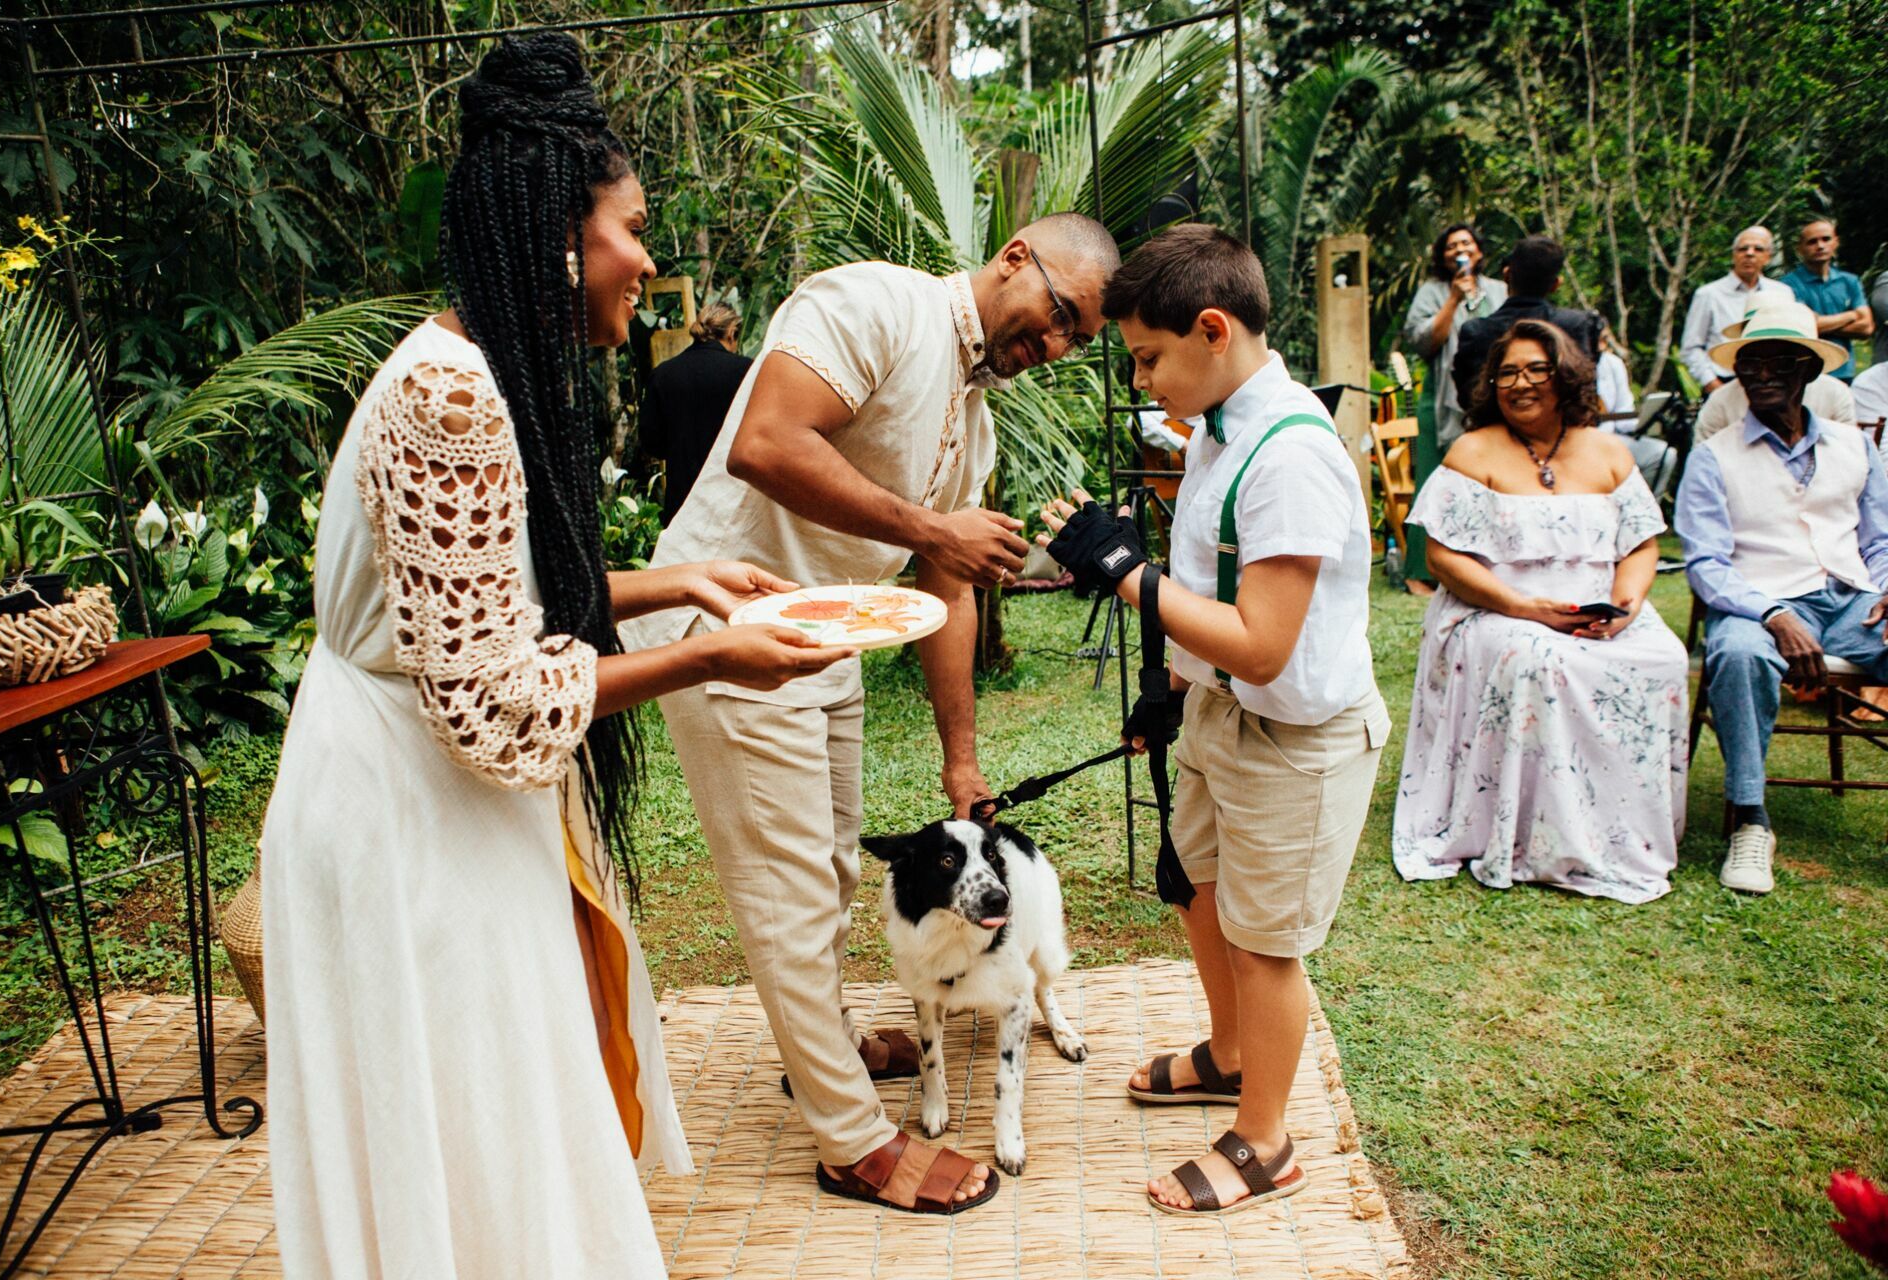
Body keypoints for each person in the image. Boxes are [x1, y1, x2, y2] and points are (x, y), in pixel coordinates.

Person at [259, 36, 857, 1277]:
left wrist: (675, 583)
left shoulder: (469, 370)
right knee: (476, 1135)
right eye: (630, 227)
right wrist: (708, 658)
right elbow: (487, 694)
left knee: (492, 1133)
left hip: (426, 791)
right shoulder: (455, 399)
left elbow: (471, 601)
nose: (646, 259)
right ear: (554, 233)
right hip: (412, 818)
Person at [621, 213, 1121, 1214]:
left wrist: (961, 758)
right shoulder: (877, 304)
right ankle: (851, 1136)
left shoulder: (973, 417)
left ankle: (832, 1045)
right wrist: (935, 523)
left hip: (827, 639)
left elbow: (949, 578)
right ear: (1016, 255)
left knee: (838, 865)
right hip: (726, 625)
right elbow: (767, 442)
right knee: (789, 890)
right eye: (1059, 314)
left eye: (1077, 339)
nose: (1056, 345)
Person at [1038, 224, 1388, 1216]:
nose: (1142, 378)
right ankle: (1233, 1055)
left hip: (1295, 736)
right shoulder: (1218, 429)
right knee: (1199, 885)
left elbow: (1266, 640)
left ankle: (1267, 1138)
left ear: (1212, 329)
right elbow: (1207, 586)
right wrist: (1170, 687)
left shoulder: (1290, 456)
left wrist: (1125, 575)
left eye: (1148, 357)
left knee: (1266, 939)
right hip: (1222, 713)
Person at [1392, 319, 1688, 902]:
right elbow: (1442, 557)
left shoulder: (1607, 452)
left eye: (1535, 370)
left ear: (1566, 376)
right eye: (1507, 372)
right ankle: (1541, 837)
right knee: (1540, 659)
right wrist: (1527, 607)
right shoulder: (1471, 451)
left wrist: (1626, 607)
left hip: (1597, 610)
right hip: (1495, 609)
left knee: (1665, 656)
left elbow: (1641, 545)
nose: (1520, 383)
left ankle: (1619, 836)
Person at [1675, 300, 1888, 895]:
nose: (1761, 375)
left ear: (1808, 373)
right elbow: (1707, 564)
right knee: (1739, 655)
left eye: (1778, 363)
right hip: (1757, 601)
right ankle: (1750, 820)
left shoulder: (1853, 445)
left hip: (1850, 600)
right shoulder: (1714, 457)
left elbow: (1880, 540)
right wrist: (1773, 614)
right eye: (1750, 364)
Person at [1400, 224, 1508, 594]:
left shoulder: (1498, 290)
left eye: (1466, 243)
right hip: (1442, 398)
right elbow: (1421, 342)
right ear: (1442, 255)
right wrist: (1451, 301)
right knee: (1432, 481)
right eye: (1452, 245)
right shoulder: (1431, 292)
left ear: (1478, 251)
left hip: (1492, 399)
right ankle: (1419, 571)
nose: (1459, 249)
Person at [1451, 234, 1601, 404]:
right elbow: (1584, 394)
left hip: (1495, 428)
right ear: (1555, 285)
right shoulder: (1575, 325)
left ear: (1507, 275)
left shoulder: (1476, 332)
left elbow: (1469, 398)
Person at [638, 299, 751, 524]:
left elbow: (652, 443)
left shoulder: (664, 374)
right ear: (731, 333)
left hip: (683, 502)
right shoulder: (746, 371)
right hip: (733, 501)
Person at [1696, 298, 1857, 440]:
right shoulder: (1721, 402)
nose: (1764, 375)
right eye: (1752, 361)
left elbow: (1848, 451)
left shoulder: (1835, 394)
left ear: (1811, 369)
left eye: (1782, 363)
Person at [1679, 225, 1788, 395]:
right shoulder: (1709, 294)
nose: (1749, 253)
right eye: (1743, 249)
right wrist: (1712, 385)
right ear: (1733, 255)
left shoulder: (1781, 293)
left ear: (1768, 257)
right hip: (1725, 382)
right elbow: (1690, 348)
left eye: (1758, 249)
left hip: (1773, 384)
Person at [1594, 314, 1677, 497]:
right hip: (1580, 443)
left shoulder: (1613, 363)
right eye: (1596, 340)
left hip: (1612, 438)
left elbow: (1624, 415)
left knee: (1663, 454)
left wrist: (1650, 417)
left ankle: (1646, 516)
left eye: (1605, 339)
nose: (1601, 346)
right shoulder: (1568, 363)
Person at [1782, 218, 1873, 381]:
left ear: (1836, 242)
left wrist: (1819, 324)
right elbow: (1802, 327)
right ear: (1800, 248)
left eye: (1826, 239)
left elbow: (1866, 328)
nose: (1820, 245)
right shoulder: (1788, 285)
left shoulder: (1849, 281)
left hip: (1844, 370)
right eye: (1812, 242)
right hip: (1805, 372)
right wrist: (1851, 316)